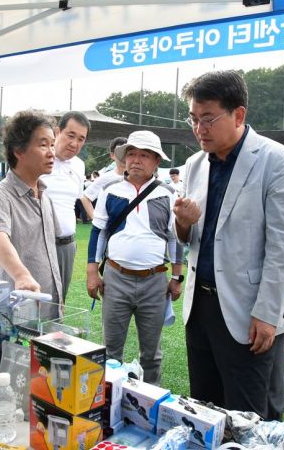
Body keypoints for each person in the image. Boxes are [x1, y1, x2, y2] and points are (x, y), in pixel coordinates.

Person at [173, 70, 284, 421]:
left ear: (239, 115)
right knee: (205, 407)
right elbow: (189, 238)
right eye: (194, 119)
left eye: (208, 119)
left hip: (248, 310)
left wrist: (267, 311)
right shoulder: (193, 164)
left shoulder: (277, 160)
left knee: (248, 414)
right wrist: (183, 222)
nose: (199, 129)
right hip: (199, 307)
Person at [86, 131, 183, 385]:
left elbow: (175, 238)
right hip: (116, 278)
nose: (136, 160)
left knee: (151, 354)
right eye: (131, 154)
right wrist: (92, 272)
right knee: (110, 351)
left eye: (144, 155)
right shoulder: (110, 190)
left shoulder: (168, 194)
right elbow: (98, 232)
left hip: (155, 281)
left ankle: (150, 405)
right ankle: (107, 404)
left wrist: (176, 277)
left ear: (156, 161)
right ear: (124, 158)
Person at [0, 110, 62, 313]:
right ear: (18, 151)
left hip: (47, 305)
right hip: (17, 309)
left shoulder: (45, 196)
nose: (52, 152)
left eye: (52, 144)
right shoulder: (0, 196)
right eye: (43, 145)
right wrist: (21, 275)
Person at [41, 111, 90, 301]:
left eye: (81, 139)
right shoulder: (40, 158)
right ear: (57, 132)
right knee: (35, 301)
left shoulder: (79, 165)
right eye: (70, 135)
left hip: (67, 245)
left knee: (60, 299)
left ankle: (56, 328)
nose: (74, 143)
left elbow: (75, 200)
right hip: (39, 243)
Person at [81, 136, 127, 221]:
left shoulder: (137, 177)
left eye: (126, 152)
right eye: (119, 152)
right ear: (112, 155)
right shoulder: (106, 177)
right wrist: (96, 219)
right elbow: (85, 197)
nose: (123, 156)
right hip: (110, 228)